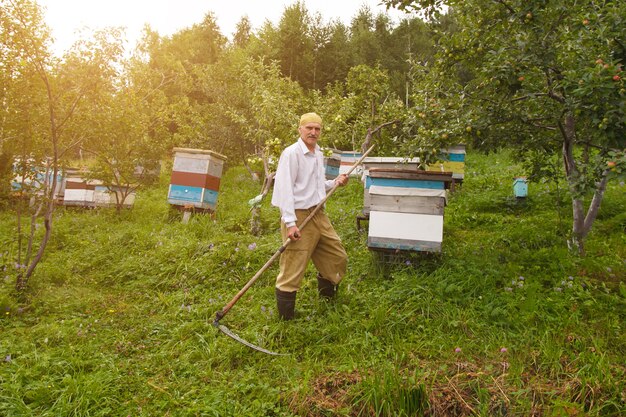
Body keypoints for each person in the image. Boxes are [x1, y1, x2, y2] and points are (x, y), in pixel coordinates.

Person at [271, 112, 349, 320]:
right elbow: (285, 190)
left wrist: (334, 183)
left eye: (317, 129)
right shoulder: (292, 154)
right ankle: (285, 321)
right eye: (309, 128)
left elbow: (314, 185)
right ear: (300, 130)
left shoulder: (318, 153)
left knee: (336, 255)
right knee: (293, 268)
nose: (313, 132)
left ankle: (327, 303)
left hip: (318, 214)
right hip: (298, 216)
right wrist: (290, 223)